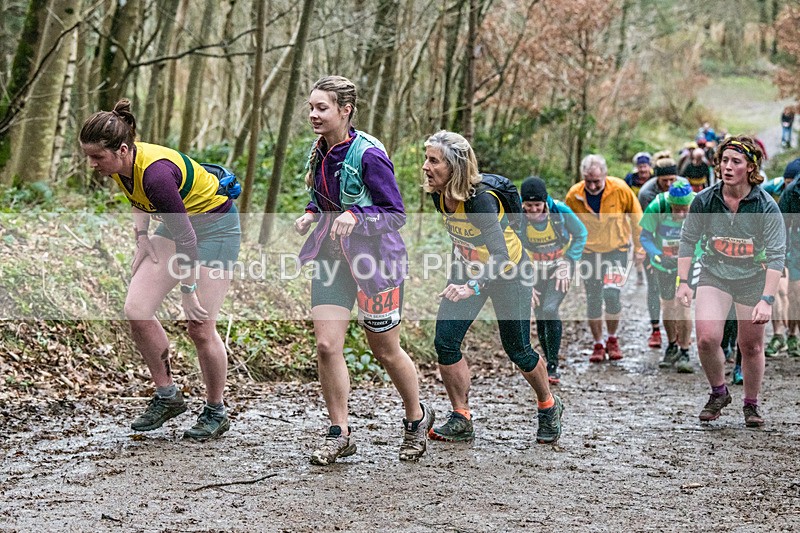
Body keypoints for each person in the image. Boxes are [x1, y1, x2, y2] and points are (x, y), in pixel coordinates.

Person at [79, 99, 241, 439]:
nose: (91, 164)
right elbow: (137, 197)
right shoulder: (121, 164)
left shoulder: (157, 176)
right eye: (88, 156)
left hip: (215, 231)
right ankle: (168, 396)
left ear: (122, 149)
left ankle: (216, 410)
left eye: (97, 157)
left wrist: (188, 290)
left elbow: (188, 242)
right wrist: (141, 237)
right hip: (180, 227)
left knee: (199, 326)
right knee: (136, 309)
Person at [294, 75, 432, 465]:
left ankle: (415, 418)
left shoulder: (369, 154)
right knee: (326, 346)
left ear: (345, 110)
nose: (314, 114)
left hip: (376, 266)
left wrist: (357, 216)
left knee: (386, 352)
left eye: (322, 107)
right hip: (331, 262)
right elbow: (323, 198)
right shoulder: (318, 151)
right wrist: (311, 214)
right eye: (310, 107)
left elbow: (395, 214)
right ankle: (340, 432)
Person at [422, 131, 563, 444]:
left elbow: (499, 255)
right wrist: (458, 277)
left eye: (433, 161)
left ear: (454, 166)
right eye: (426, 159)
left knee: (518, 349)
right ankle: (461, 417)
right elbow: (460, 237)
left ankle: (548, 406)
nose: (425, 167)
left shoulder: (481, 201)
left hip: (509, 272)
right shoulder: (439, 193)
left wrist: (471, 286)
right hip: (470, 270)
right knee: (445, 342)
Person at [676, 135, 785, 427]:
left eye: (735, 161)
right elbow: (687, 240)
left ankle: (751, 404)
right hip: (715, 273)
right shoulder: (705, 200)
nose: (727, 166)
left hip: (753, 277)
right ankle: (718, 392)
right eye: (724, 160)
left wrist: (767, 299)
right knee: (707, 338)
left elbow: (776, 255)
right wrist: (684, 281)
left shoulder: (765, 206)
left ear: (750, 167)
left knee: (750, 346)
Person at [566, 154, 645, 362]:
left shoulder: (619, 189)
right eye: (588, 181)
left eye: (596, 181)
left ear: (605, 175)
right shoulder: (574, 195)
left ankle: (612, 338)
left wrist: (640, 248)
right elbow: (566, 227)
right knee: (593, 299)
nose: (592, 186)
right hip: (588, 253)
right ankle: (598, 344)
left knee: (611, 295)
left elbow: (637, 219)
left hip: (617, 251)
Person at [519, 176, 587, 385]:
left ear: (545, 202)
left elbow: (581, 233)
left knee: (549, 309)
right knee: (540, 313)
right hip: (533, 271)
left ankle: (553, 364)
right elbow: (513, 249)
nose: (533, 211)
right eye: (528, 206)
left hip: (560, 268)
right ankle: (548, 361)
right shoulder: (517, 217)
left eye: (537, 205)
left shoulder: (560, 211)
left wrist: (568, 261)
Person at [640, 178, 698, 373]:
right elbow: (645, 236)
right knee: (668, 305)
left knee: (683, 305)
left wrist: (694, 257)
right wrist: (656, 254)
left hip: (688, 263)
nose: (681, 213)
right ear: (670, 203)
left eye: (685, 209)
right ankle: (672, 345)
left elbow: (707, 236)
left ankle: (685, 350)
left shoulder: (699, 206)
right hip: (663, 264)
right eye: (677, 208)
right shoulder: (658, 205)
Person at [637, 155, 679, 349]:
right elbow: (647, 228)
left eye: (672, 180)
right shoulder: (647, 193)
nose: (669, 184)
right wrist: (653, 253)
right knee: (653, 286)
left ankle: (677, 329)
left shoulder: (682, 187)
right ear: (657, 179)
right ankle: (655, 329)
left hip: (677, 243)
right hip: (654, 242)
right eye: (665, 181)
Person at [760, 158, 800, 356]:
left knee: (795, 295)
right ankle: (779, 335)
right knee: (779, 291)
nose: (789, 186)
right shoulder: (770, 189)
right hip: (780, 244)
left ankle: (792, 335)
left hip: (794, 242)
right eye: (787, 182)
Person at [778, 158, 800, 358]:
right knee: (795, 295)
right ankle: (792, 333)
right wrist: (782, 257)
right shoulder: (792, 191)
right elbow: (782, 226)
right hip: (796, 248)